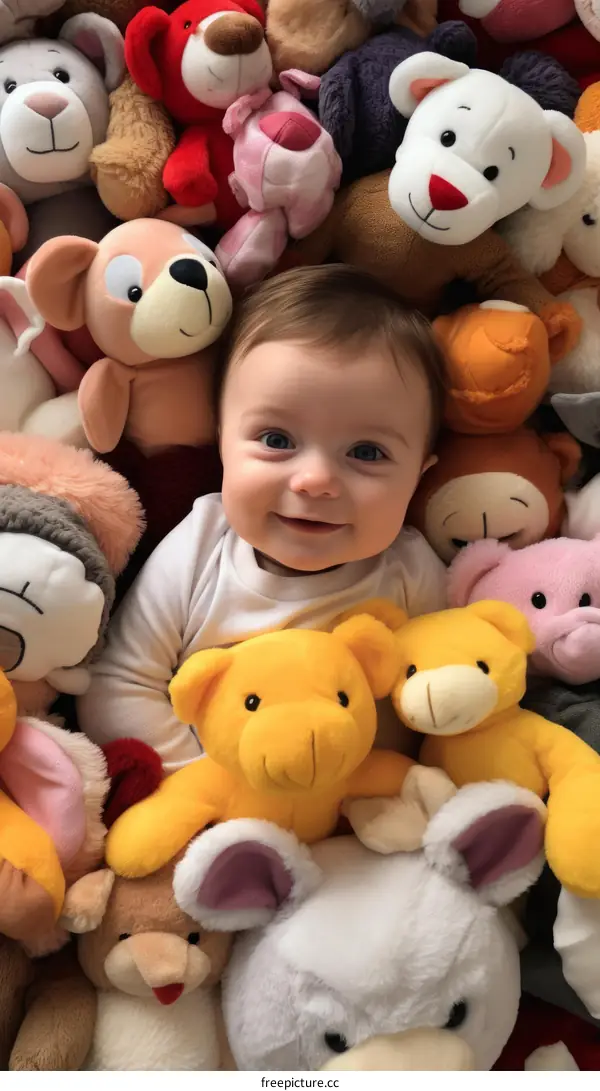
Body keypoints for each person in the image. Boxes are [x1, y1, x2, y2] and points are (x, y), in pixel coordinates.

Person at [78, 265, 448, 770]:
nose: (315, 480)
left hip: (373, 815)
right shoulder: (201, 546)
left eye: (367, 452)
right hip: (213, 810)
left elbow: (455, 683)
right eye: (277, 441)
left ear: (420, 475)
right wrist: (204, 786)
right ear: (222, 444)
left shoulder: (411, 572)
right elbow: (116, 685)